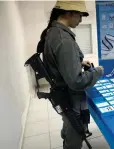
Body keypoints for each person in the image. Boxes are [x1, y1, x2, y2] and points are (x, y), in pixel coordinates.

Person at [37, 1, 104, 149]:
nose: (81, 20)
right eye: (79, 15)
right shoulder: (64, 39)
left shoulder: (51, 32)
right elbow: (76, 81)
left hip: (61, 96)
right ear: (68, 13)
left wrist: (77, 63)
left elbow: (56, 63)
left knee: (68, 125)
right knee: (74, 138)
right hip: (70, 98)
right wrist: (98, 72)